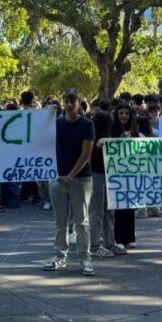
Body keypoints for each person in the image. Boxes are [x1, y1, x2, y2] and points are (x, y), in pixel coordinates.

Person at [43, 89, 96, 276]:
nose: (68, 104)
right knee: (60, 221)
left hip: (80, 179)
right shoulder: (55, 124)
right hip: (57, 177)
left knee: (82, 221)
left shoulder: (87, 124)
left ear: (79, 102)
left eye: (72, 100)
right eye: (66, 100)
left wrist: (70, 175)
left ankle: (85, 258)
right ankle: (59, 255)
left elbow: (86, 154)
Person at [110, 103, 140, 252]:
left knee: (130, 205)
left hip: (131, 172)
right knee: (119, 207)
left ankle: (130, 238)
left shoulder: (134, 130)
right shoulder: (112, 130)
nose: (124, 116)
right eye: (121, 113)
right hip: (117, 173)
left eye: (126, 113)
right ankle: (119, 238)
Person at [88, 110, 117, 258]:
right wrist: (96, 146)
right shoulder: (92, 138)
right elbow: (87, 155)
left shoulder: (107, 137)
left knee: (108, 211)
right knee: (97, 211)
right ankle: (94, 245)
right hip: (97, 175)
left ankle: (109, 242)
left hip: (107, 175)